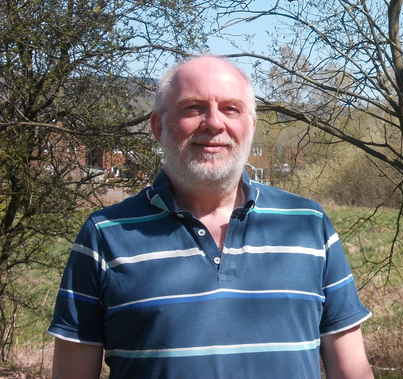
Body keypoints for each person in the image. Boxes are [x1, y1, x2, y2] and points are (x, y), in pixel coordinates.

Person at [48, 56, 373, 379]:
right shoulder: (105, 235)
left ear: (251, 125)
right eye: (193, 108)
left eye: (231, 108)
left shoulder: (308, 225)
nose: (215, 123)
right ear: (158, 125)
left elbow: (351, 369)